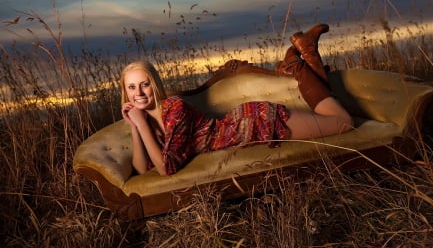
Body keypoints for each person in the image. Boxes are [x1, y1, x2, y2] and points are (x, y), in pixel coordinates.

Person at [121, 24, 353, 176]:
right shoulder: (147, 121)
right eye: (131, 87)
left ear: (155, 85)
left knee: (342, 122)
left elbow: (166, 168)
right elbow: (142, 168)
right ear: (126, 92)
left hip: (254, 123)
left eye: (145, 84)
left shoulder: (174, 108)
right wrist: (135, 125)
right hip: (245, 126)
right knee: (336, 120)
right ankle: (302, 55)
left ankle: (298, 66)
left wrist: (141, 123)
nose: (139, 93)